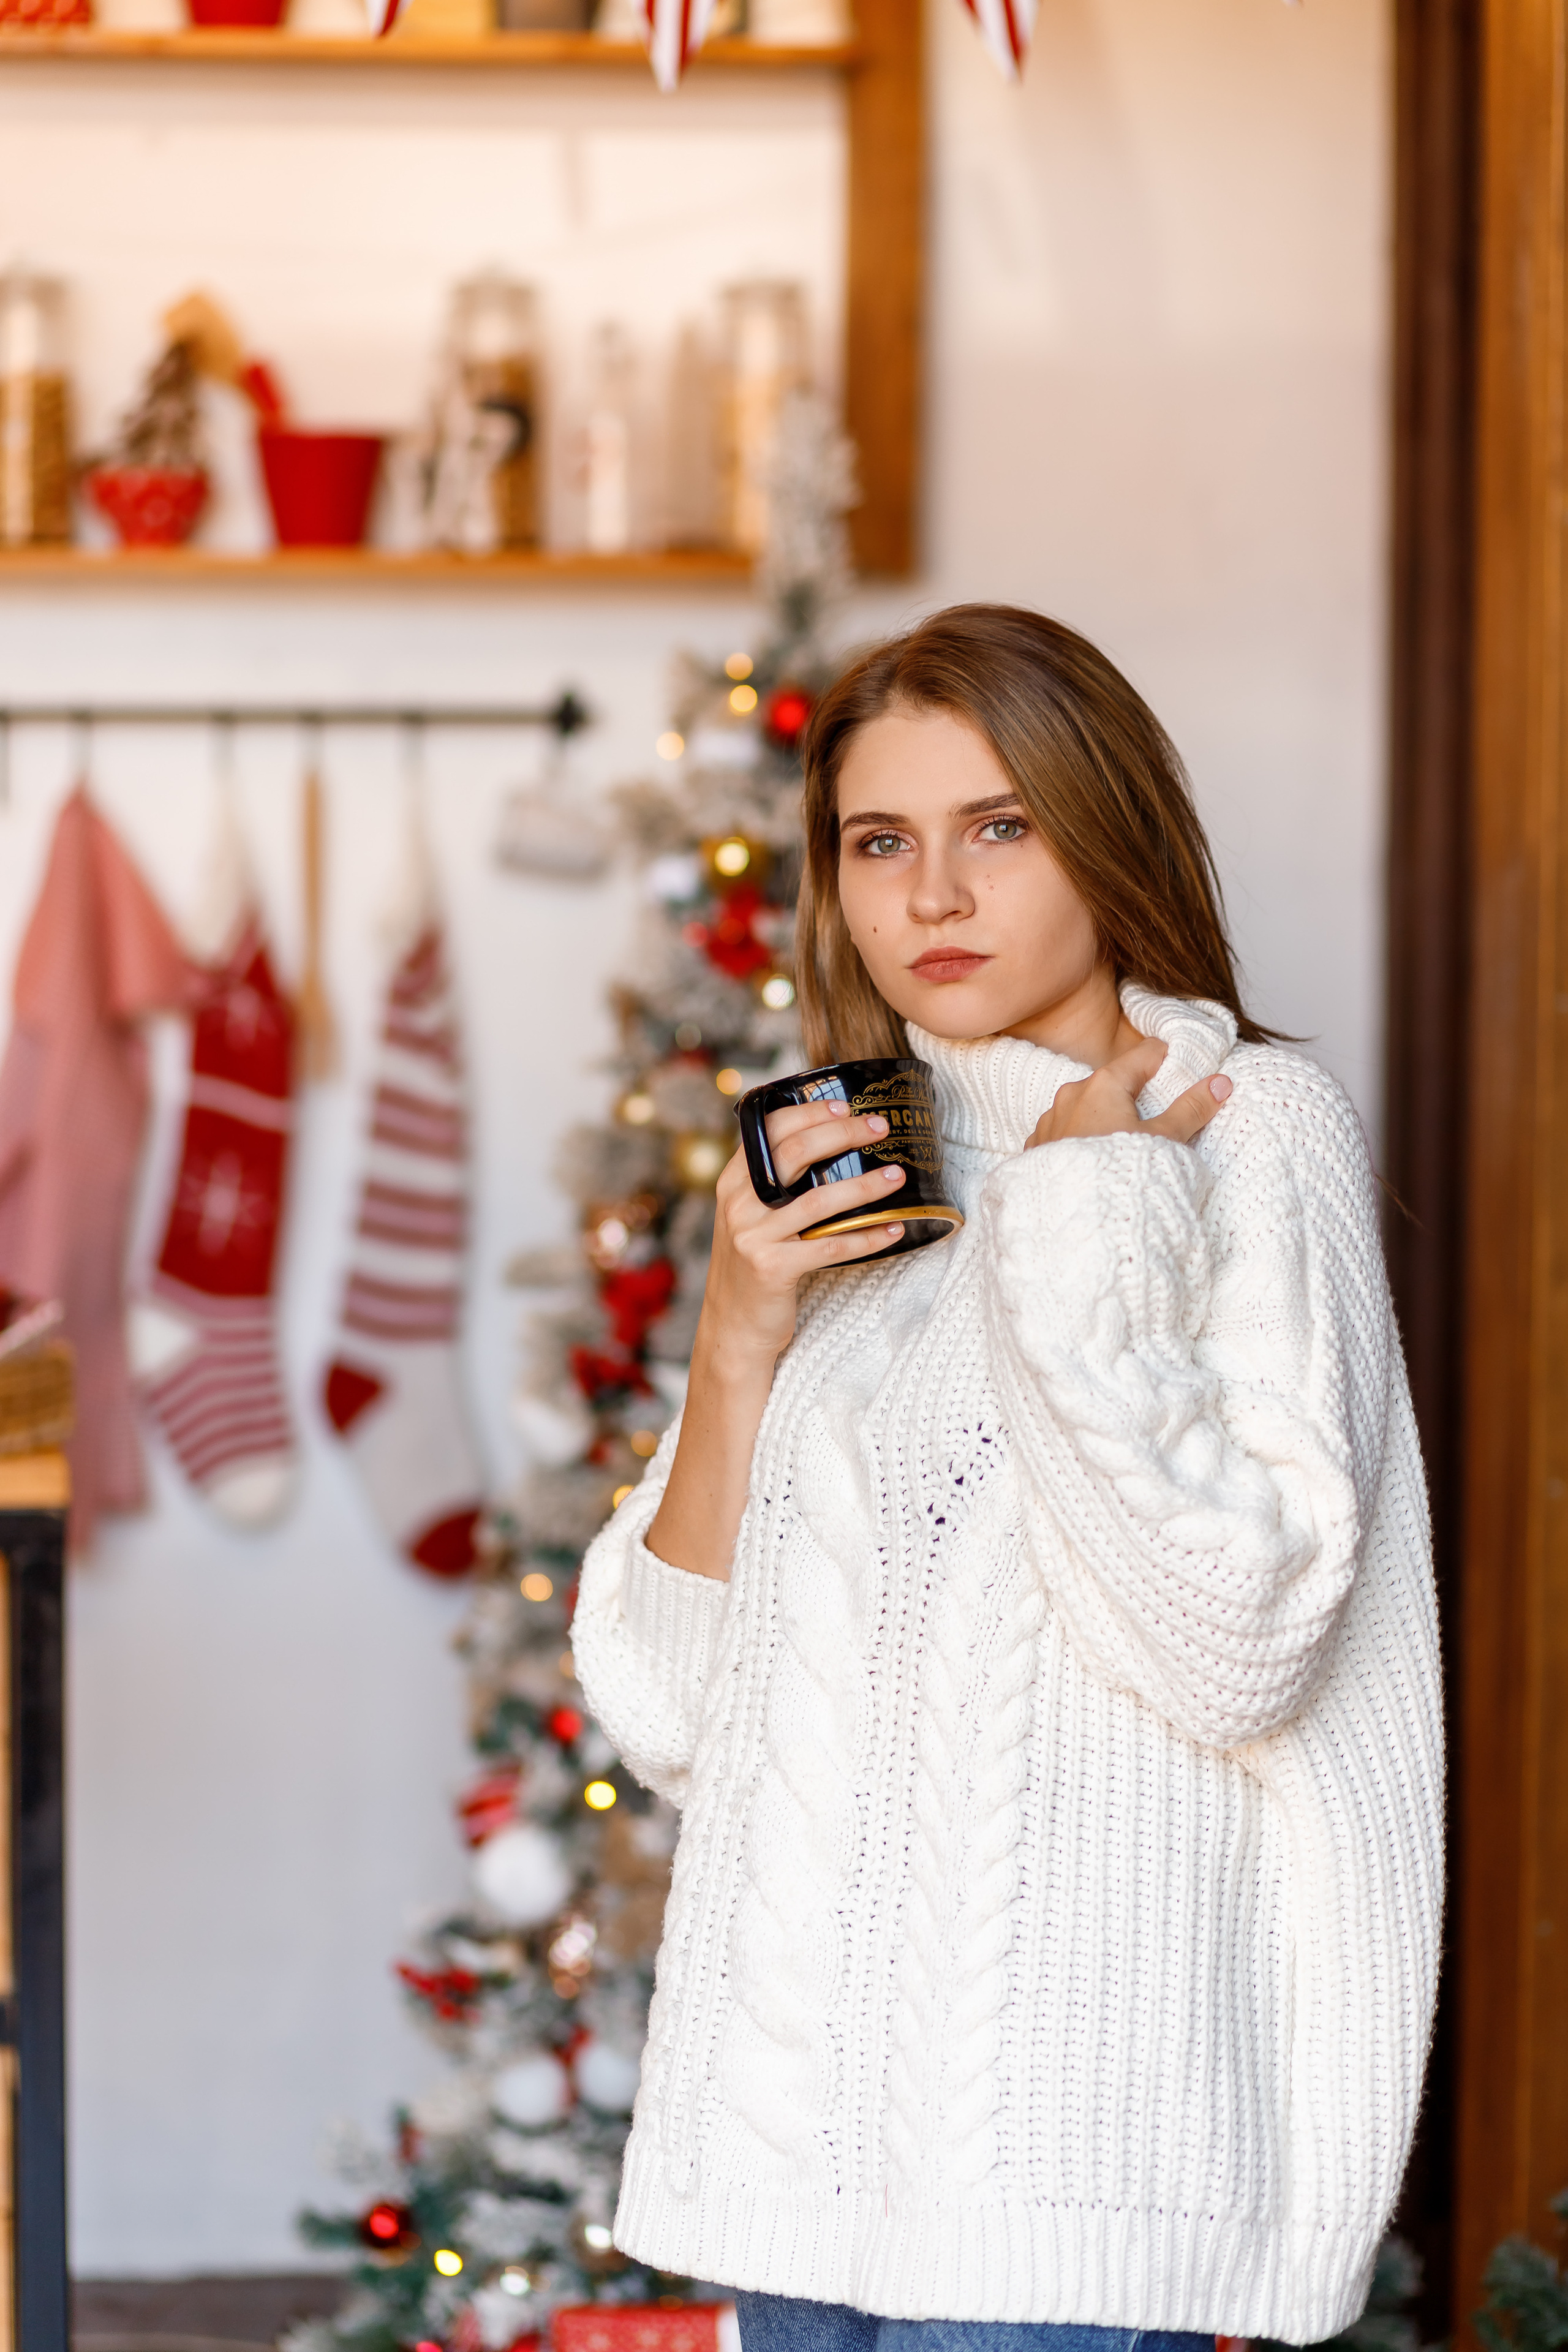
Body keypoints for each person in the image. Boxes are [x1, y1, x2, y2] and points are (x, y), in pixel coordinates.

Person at [571, 605, 1442, 2352]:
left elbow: (1237, 1646)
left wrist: (1084, 1199)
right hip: (797, 2170)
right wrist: (737, 1335)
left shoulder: (1245, 1131)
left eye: (999, 827)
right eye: (880, 843)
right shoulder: (857, 1176)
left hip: (1074, 2177)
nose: (935, 897)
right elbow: (667, 1711)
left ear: (1107, 831)